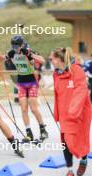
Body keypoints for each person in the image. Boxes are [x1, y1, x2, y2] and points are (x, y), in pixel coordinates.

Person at [51, 47, 91, 176]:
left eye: (52, 58)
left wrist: (73, 111)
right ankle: (70, 170)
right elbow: (58, 94)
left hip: (80, 112)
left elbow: (81, 91)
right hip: (64, 113)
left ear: (59, 59)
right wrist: (57, 112)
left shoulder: (77, 70)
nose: (50, 60)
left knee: (80, 139)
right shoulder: (56, 74)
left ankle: (84, 159)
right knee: (65, 140)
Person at [7, 35, 48, 142]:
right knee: (24, 108)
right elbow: (5, 58)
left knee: (34, 108)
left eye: (17, 46)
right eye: (13, 46)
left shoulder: (28, 51)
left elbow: (42, 61)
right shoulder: (11, 53)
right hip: (21, 83)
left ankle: (43, 129)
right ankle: (29, 133)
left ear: (22, 45)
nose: (15, 48)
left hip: (32, 83)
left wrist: (30, 54)